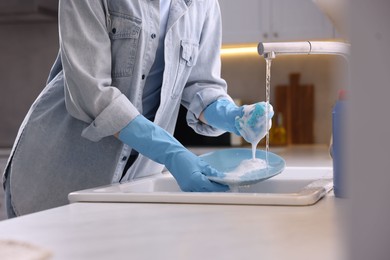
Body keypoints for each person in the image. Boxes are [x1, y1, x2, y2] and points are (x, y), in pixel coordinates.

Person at [2, 0, 273, 217]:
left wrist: (232, 115)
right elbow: (93, 94)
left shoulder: (203, 5)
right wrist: (170, 151)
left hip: (135, 180)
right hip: (60, 171)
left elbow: (200, 85)